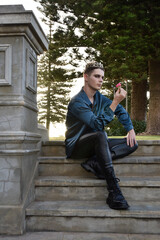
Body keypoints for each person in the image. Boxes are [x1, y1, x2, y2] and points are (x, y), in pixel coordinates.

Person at [65, 62, 138, 210]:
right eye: (97, 76)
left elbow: (120, 111)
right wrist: (115, 101)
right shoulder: (77, 102)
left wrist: (130, 129)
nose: (101, 80)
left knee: (132, 144)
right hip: (78, 146)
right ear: (86, 77)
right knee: (100, 133)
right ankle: (114, 191)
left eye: (102, 77)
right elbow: (96, 125)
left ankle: (94, 163)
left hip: (97, 142)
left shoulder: (99, 98)